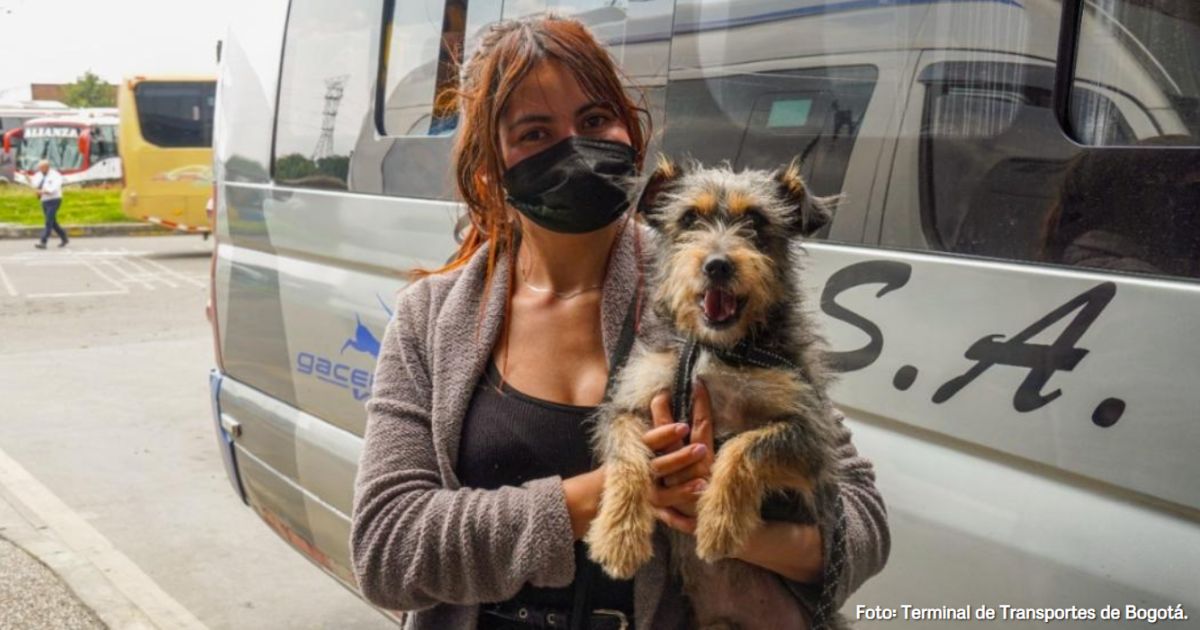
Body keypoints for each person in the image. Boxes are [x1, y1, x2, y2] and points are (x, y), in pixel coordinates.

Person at [350, 15, 889, 629]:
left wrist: (727, 527)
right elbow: (386, 553)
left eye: (593, 121)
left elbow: (864, 526)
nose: (573, 148)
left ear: (632, 138)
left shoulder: (710, 305)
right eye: (534, 131)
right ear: (488, 173)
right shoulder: (433, 319)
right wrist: (594, 497)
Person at [31, 159, 68, 249]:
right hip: (44, 200)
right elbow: (35, 184)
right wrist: (35, 187)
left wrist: (42, 191)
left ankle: (43, 242)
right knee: (53, 222)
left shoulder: (56, 175)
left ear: (47, 167)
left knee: (48, 221)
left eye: (42, 168)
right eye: (39, 168)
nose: (40, 169)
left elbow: (53, 189)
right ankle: (64, 238)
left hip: (54, 200)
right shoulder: (38, 175)